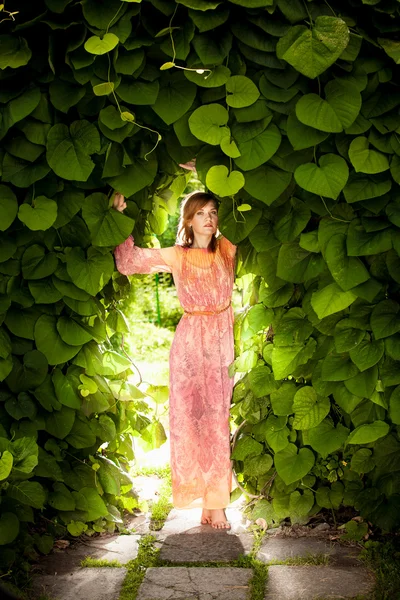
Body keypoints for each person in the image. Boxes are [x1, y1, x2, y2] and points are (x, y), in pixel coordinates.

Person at [113, 190, 237, 529]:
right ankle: (205, 501)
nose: (208, 219)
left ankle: (217, 503)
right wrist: (121, 219)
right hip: (188, 345)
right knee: (189, 422)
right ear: (188, 220)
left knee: (217, 420)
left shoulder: (228, 249)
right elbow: (129, 262)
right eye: (200, 213)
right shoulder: (177, 255)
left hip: (221, 341)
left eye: (213, 212)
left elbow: (248, 217)